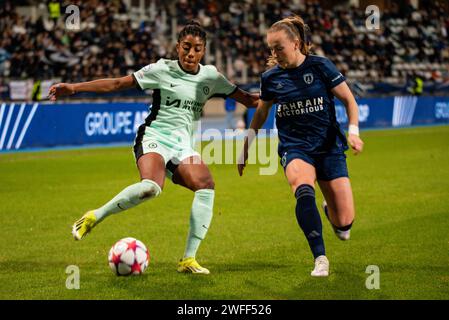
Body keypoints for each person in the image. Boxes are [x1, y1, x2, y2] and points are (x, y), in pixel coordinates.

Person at [49, 21, 258, 275]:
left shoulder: (211, 77)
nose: (191, 54)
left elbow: (248, 100)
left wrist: (284, 91)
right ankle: (94, 216)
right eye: (186, 47)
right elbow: (117, 84)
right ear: (177, 46)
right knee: (151, 187)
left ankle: (188, 260)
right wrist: (73, 88)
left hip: (184, 146)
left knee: (206, 185)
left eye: (197, 49)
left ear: (204, 51)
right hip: (154, 137)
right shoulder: (161, 69)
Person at [237, 16, 364, 277]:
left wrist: (353, 132)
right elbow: (261, 114)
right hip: (295, 147)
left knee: (345, 223)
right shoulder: (271, 79)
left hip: (328, 146)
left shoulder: (321, 67)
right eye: (271, 48)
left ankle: (333, 214)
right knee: (302, 189)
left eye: (278, 47)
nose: (274, 54)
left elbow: (349, 100)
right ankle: (320, 258)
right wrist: (246, 147)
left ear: (296, 43)